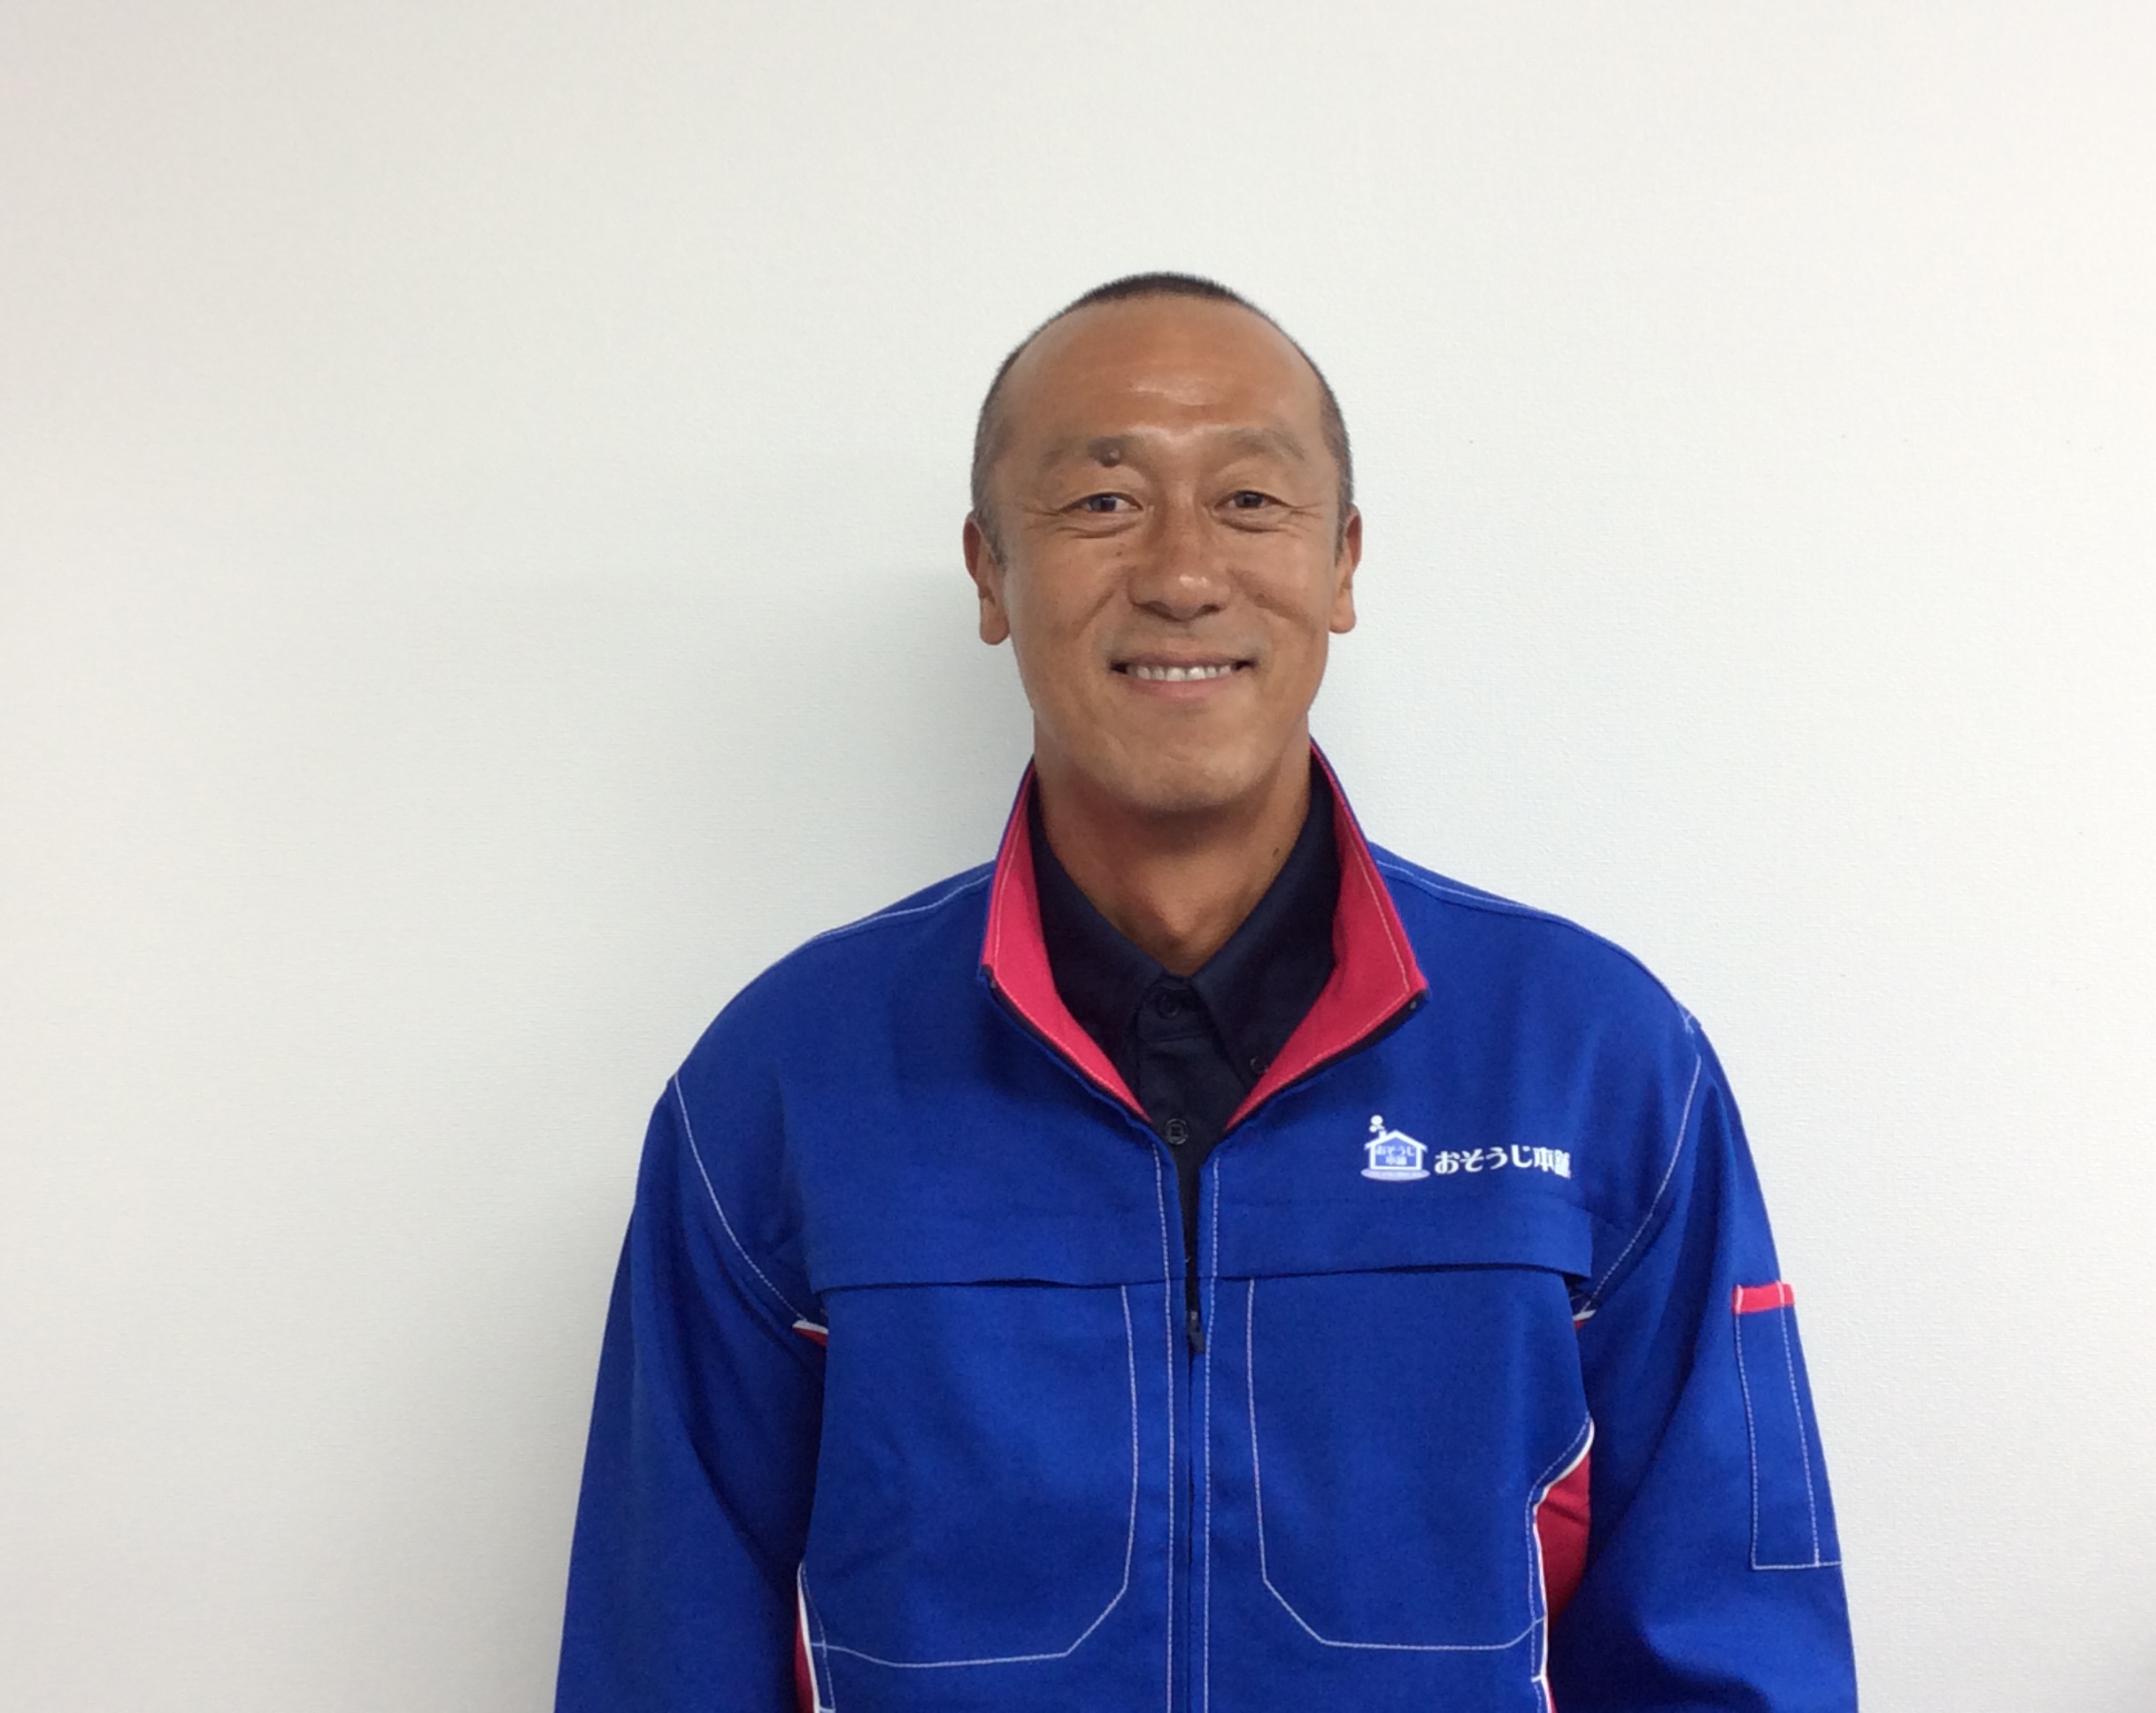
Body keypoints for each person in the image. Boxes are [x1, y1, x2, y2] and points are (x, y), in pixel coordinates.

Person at [555, 273, 1857, 1712]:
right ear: (991, 572)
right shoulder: (784, 1085)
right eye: (1103, 502)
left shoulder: (1594, 1063)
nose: (1183, 574)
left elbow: (1732, 1650)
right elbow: (659, 1659)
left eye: (1249, 501)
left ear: (1342, 562)